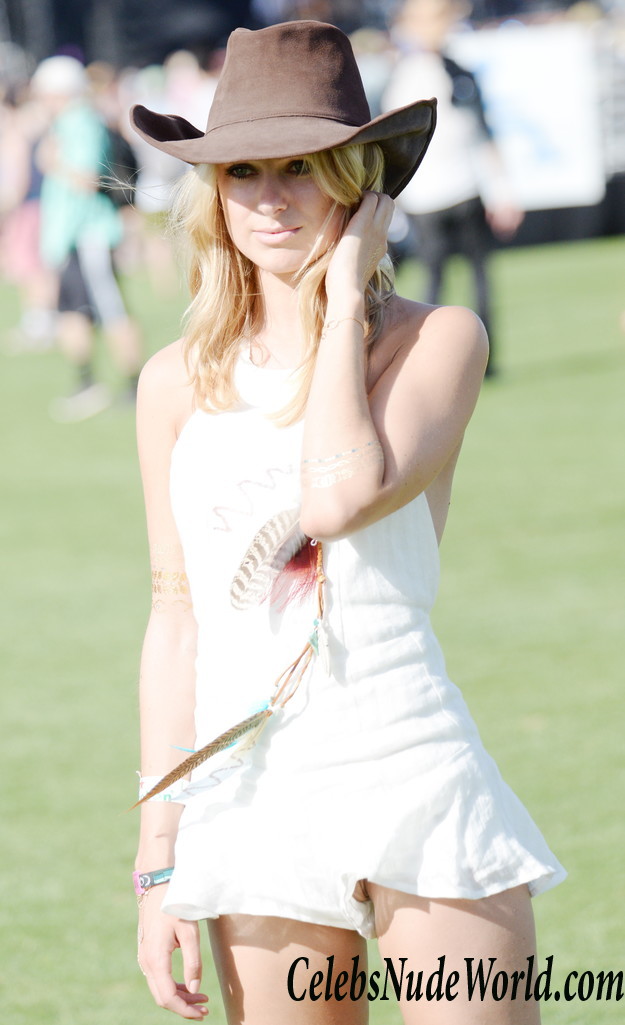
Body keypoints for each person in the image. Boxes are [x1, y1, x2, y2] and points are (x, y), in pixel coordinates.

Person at [130, 19, 564, 1024]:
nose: (270, 198)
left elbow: (337, 494)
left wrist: (337, 306)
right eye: (243, 172)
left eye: (302, 166)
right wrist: (158, 857)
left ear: (361, 182)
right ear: (214, 191)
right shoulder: (173, 383)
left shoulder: (435, 340)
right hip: (248, 792)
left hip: (408, 757)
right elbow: (175, 618)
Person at [383, 0, 524, 375]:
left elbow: (482, 131)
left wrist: (502, 189)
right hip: (426, 196)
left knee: (474, 277)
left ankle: (482, 361)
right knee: (435, 281)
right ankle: (430, 362)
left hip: (463, 187)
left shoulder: (454, 70)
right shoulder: (405, 72)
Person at [32, 55, 143, 421]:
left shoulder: (81, 122)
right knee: (73, 313)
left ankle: (134, 384)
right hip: (70, 240)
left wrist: (54, 163)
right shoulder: (67, 123)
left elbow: (86, 180)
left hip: (90, 235)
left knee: (112, 310)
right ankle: (87, 383)